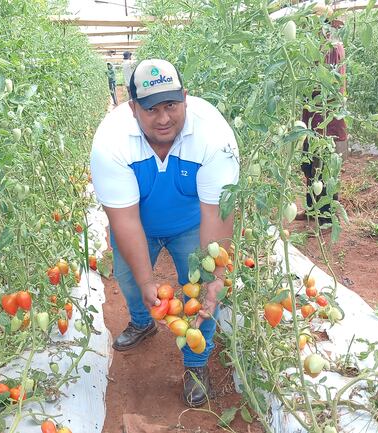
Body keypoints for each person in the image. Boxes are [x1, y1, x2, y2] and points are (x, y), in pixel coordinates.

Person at [90, 59, 239, 407]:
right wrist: (146, 280)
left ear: (185, 98)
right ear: (132, 109)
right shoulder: (111, 141)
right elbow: (124, 221)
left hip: (192, 223)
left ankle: (195, 363)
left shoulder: (213, 136)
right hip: (137, 223)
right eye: (151, 108)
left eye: (171, 105)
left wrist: (215, 277)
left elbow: (217, 213)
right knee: (129, 281)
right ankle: (143, 322)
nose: (163, 118)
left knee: (201, 297)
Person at [299, 18, 347, 226]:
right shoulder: (320, 48)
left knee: (325, 167)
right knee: (309, 163)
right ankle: (312, 208)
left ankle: (326, 216)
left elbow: (329, 82)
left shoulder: (332, 48)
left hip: (326, 119)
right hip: (315, 119)